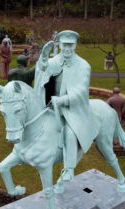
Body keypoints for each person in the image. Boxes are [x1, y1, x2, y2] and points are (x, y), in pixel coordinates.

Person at [34, 30, 100, 182]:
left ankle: (69, 169)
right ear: (60, 45)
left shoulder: (84, 65)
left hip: (72, 108)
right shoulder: (56, 59)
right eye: (65, 45)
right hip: (51, 105)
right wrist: (43, 58)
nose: (67, 49)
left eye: (71, 45)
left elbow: (82, 90)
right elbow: (44, 69)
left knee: (70, 133)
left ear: (75, 45)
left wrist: (63, 100)